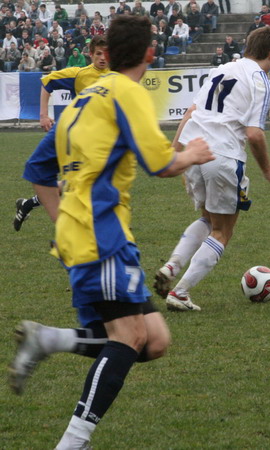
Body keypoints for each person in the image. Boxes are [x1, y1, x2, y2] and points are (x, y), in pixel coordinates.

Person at [9, 16, 214, 449]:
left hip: (93, 234)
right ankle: (73, 441)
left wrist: (64, 222)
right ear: (149, 53)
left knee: (153, 341)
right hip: (100, 234)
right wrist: (193, 152)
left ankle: (49, 339)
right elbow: (161, 163)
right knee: (131, 337)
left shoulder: (83, 102)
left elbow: (38, 172)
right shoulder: (127, 91)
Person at [153, 27, 270, 311]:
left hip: (194, 150)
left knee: (207, 218)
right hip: (223, 155)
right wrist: (267, 170)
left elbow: (191, 112)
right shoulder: (261, 82)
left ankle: (172, 265)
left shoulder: (221, 69)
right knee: (223, 231)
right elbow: (254, 134)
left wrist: (175, 151)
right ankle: (179, 292)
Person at [13, 36, 109, 232]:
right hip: (78, 138)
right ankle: (79, 230)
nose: (102, 58)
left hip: (101, 140)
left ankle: (29, 204)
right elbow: (47, 82)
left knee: (77, 183)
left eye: (106, 53)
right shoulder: (79, 74)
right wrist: (43, 115)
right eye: (98, 53)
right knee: (82, 183)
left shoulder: (117, 77)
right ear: (90, 55)